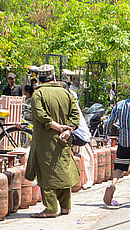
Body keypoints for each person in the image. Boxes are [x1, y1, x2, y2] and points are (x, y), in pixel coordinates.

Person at [25, 64, 80, 218]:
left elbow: (41, 116)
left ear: (39, 79)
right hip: (64, 140)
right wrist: (67, 130)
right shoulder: (66, 93)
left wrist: (58, 128)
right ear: (54, 77)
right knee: (62, 170)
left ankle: (50, 209)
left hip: (45, 141)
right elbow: (76, 116)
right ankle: (65, 207)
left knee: (46, 172)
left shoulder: (38, 94)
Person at [103, 80, 130, 206]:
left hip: (123, 141)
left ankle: (113, 184)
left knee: (120, 166)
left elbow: (110, 121)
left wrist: (106, 134)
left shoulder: (120, 104)